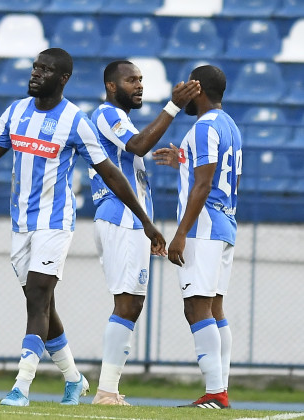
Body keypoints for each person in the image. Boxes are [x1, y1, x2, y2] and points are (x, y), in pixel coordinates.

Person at [0, 48, 167, 406]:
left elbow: (111, 173)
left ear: (63, 78)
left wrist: (145, 222)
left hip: (54, 223)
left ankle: (21, 386)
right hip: (20, 223)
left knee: (38, 296)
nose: (36, 74)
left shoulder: (75, 121)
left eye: (45, 69)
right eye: (35, 67)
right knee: (42, 304)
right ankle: (74, 379)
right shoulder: (16, 111)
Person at [88, 61, 200, 405]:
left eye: (141, 80)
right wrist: (173, 107)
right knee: (128, 302)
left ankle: (108, 389)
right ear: (111, 86)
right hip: (121, 219)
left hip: (131, 222)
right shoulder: (106, 115)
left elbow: (136, 153)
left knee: (131, 302)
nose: (139, 85)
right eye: (131, 80)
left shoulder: (120, 120)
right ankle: (105, 391)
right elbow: (136, 145)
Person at [153, 65, 242, 409]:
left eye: (188, 84)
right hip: (225, 226)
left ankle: (216, 393)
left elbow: (204, 185)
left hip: (203, 229)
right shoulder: (229, 125)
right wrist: (183, 161)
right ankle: (220, 390)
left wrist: (180, 234)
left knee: (196, 307)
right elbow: (213, 173)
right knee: (215, 307)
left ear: (198, 89)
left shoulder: (203, 127)